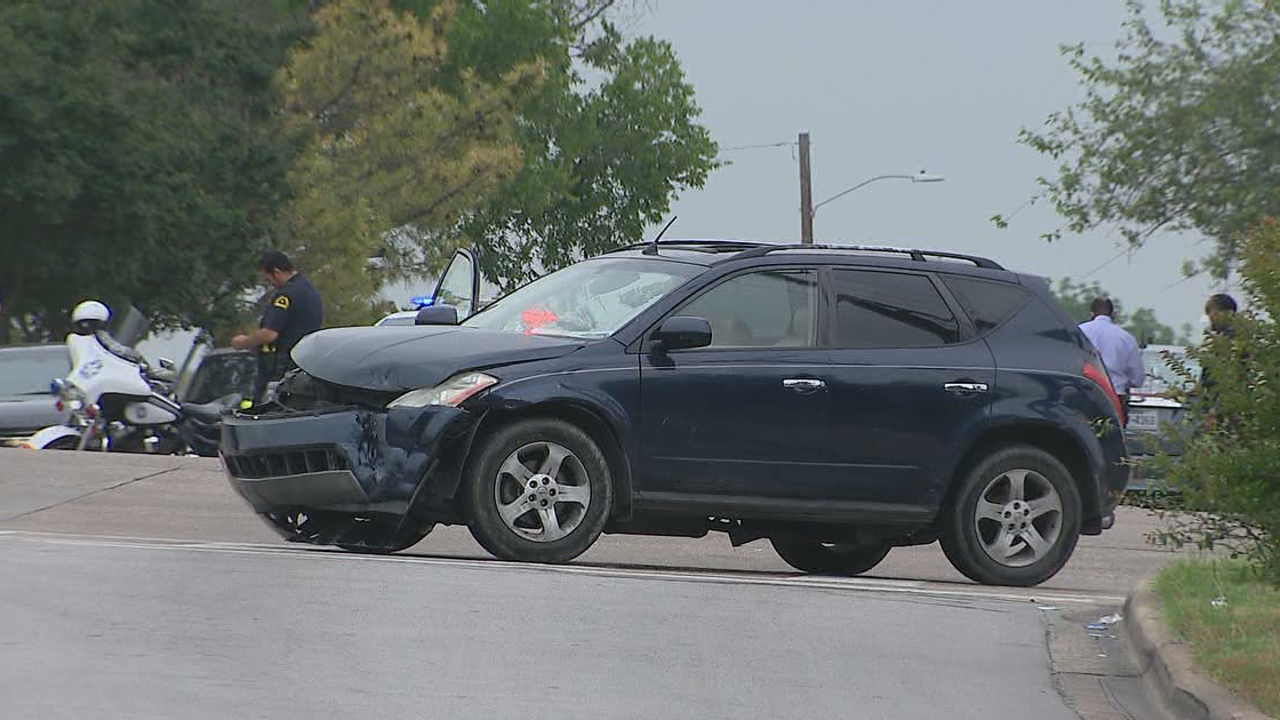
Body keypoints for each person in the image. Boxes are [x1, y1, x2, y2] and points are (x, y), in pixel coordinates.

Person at [232, 251, 323, 404]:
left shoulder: (286, 295)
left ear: (276, 272)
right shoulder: (309, 290)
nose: (270, 284)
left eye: (268, 279)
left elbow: (270, 334)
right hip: (303, 366)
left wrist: (243, 342)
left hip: (281, 368)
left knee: (266, 411)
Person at [1078, 297, 1144, 424]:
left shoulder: (1079, 331)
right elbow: (1137, 379)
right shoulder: (1126, 338)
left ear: (1091, 313)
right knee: (1113, 437)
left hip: (1084, 392)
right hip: (1115, 396)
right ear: (1113, 314)